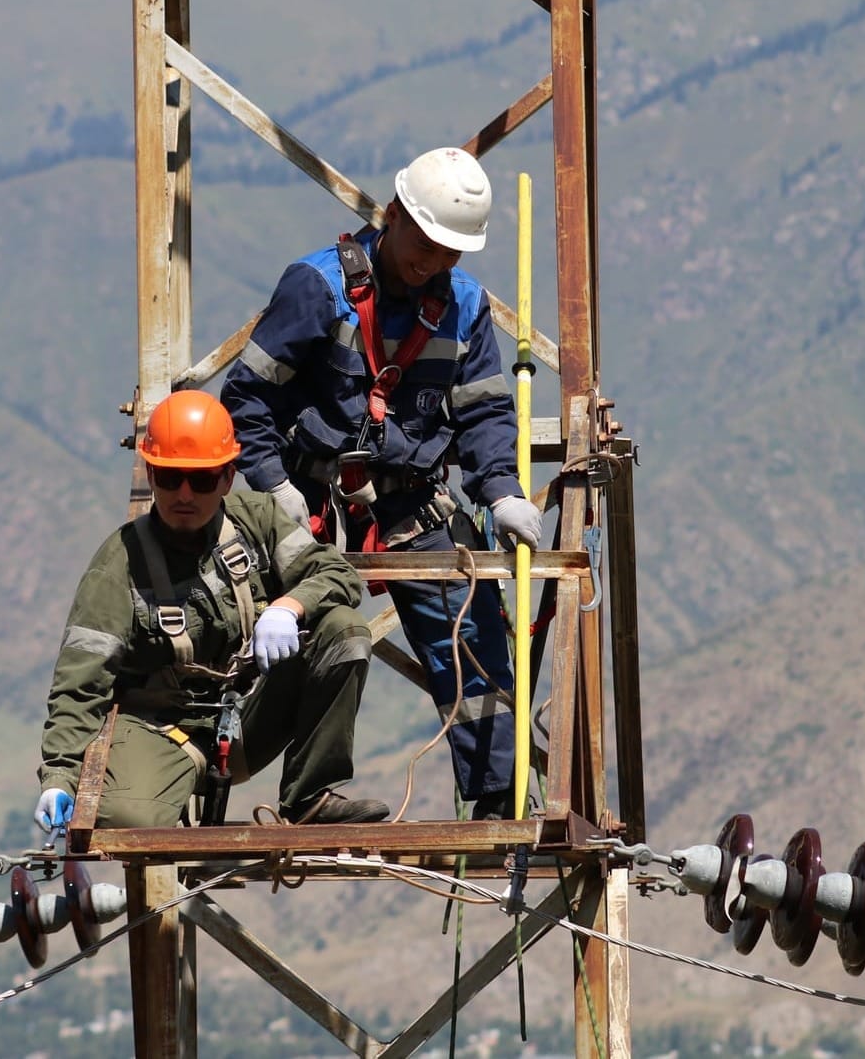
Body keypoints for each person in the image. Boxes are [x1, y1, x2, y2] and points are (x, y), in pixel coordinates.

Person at [219, 146, 544, 821]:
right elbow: (247, 396)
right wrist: (272, 485)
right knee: (315, 633)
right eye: (424, 244)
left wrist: (502, 490)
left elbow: (484, 411)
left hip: (411, 500)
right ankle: (294, 792)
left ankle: (497, 798)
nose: (433, 262)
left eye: (450, 252)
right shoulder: (317, 288)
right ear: (393, 215)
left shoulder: (464, 305)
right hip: (311, 501)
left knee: (472, 635)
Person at [35, 390, 390, 831]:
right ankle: (163, 796)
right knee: (129, 822)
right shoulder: (118, 566)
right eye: (171, 478)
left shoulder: (258, 521)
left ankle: (309, 798)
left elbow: (338, 575)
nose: (185, 494)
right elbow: (79, 685)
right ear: (151, 474)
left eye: (201, 480)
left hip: (249, 716)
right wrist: (59, 777)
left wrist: (288, 607)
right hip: (160, 729)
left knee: (344, 630)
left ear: (227, 478)